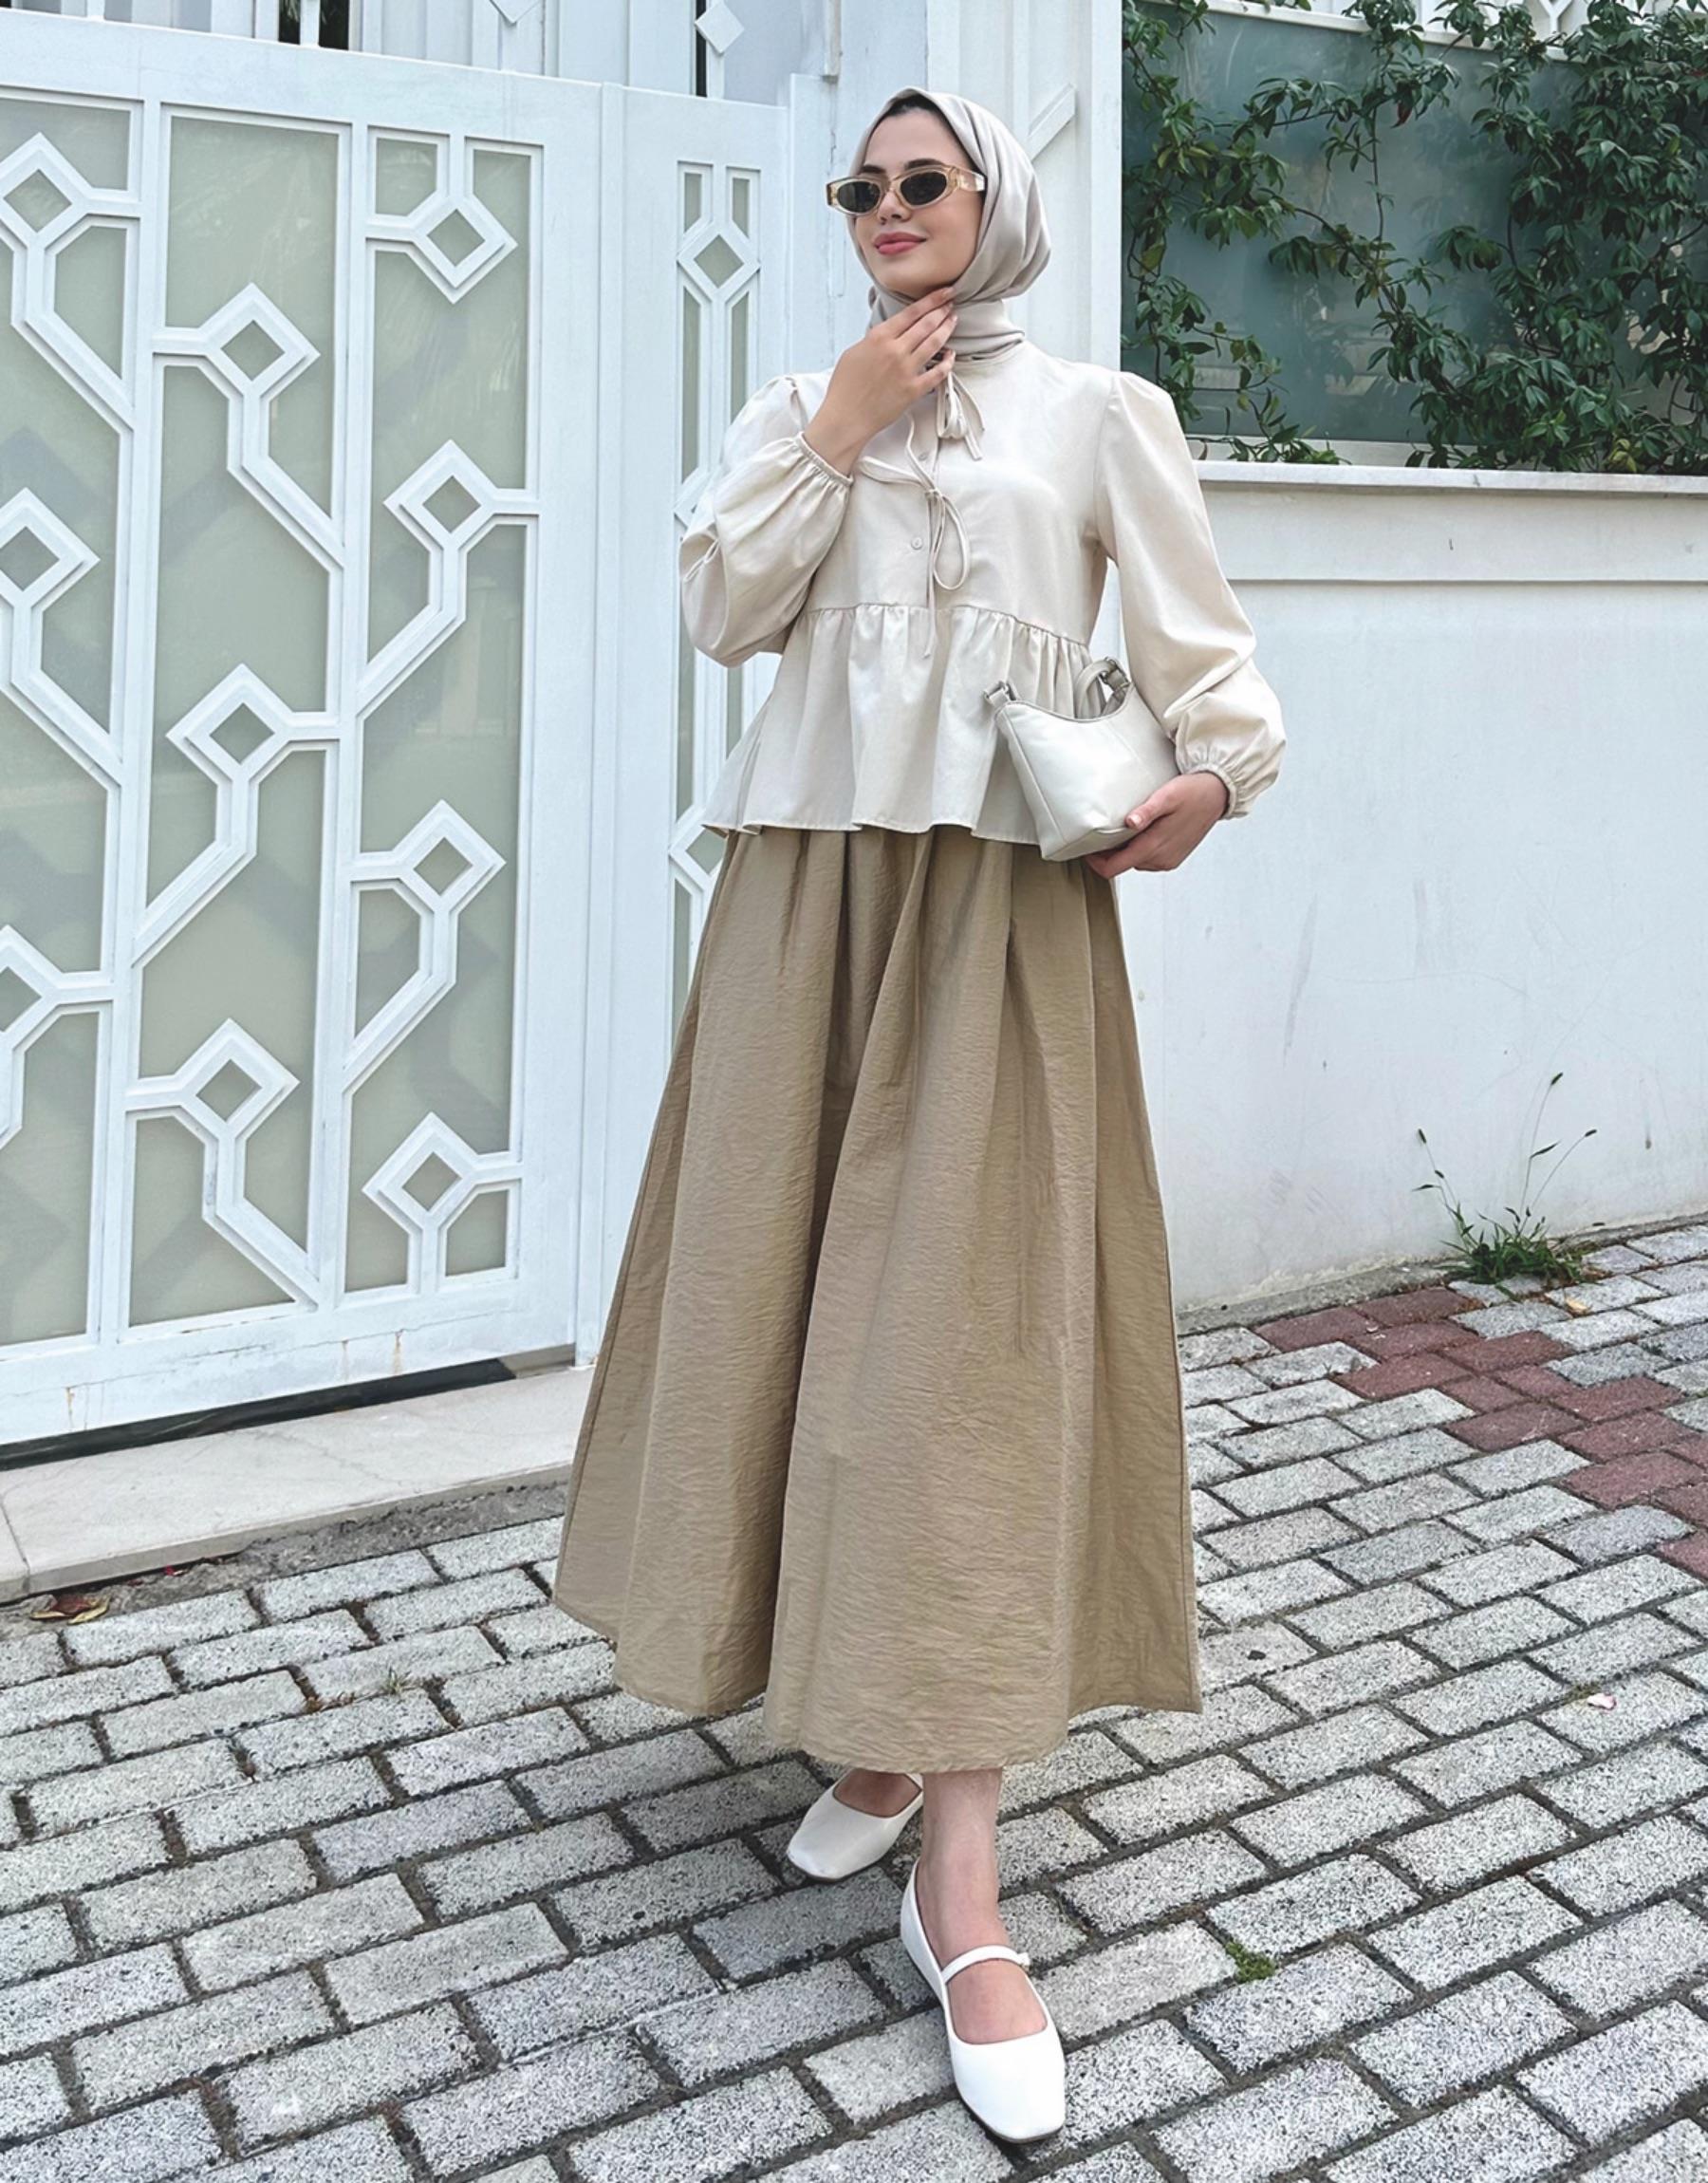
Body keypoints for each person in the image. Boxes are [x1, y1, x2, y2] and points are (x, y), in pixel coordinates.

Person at [551, 84, 1285, 2143]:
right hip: (809, 905)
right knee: (791, 1314)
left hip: (997, 916)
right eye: (860, 186)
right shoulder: (805, 404)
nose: (885, 206)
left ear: (997, 202)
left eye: (922, 180)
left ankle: (959, 1888)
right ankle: (871, 1732)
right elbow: (724, 614)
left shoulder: (1102, 415)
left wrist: (1210, 784)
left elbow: (1210, 664)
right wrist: (844, 426)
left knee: (956, 1361)